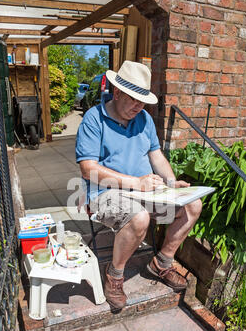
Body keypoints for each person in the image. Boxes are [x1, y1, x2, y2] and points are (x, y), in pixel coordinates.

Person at [76, 60, 202, 311]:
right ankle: (114, 275)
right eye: (134, 100)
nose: (139, 106)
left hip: (146, 190)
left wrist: (170, 182)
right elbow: (87, 169)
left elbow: (156, 155)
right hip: (105, 193)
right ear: (118, 92)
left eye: (142, 101)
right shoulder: (94, 119)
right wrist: (137, 183)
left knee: (193, 205)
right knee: (139, 218)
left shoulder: (143, 118)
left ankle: (162, 263)